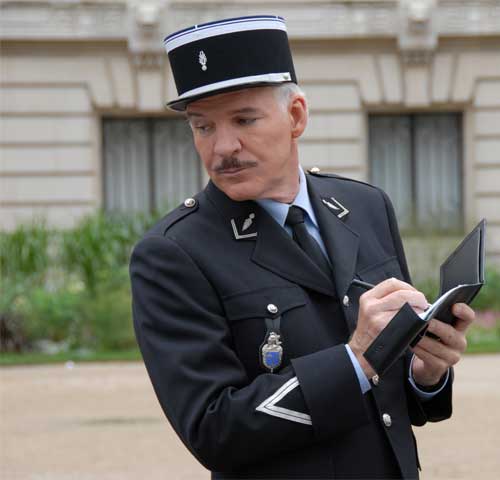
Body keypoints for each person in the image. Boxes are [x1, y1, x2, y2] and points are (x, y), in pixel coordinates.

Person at [130, 14, 475, 479]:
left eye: (244, 119)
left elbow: (392, 405)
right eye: (202, 126)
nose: (223, 146)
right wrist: (355, 361)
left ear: (296, 116)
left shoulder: (366, 206)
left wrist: (425, 374)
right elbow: (214, 429)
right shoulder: (174, 253)